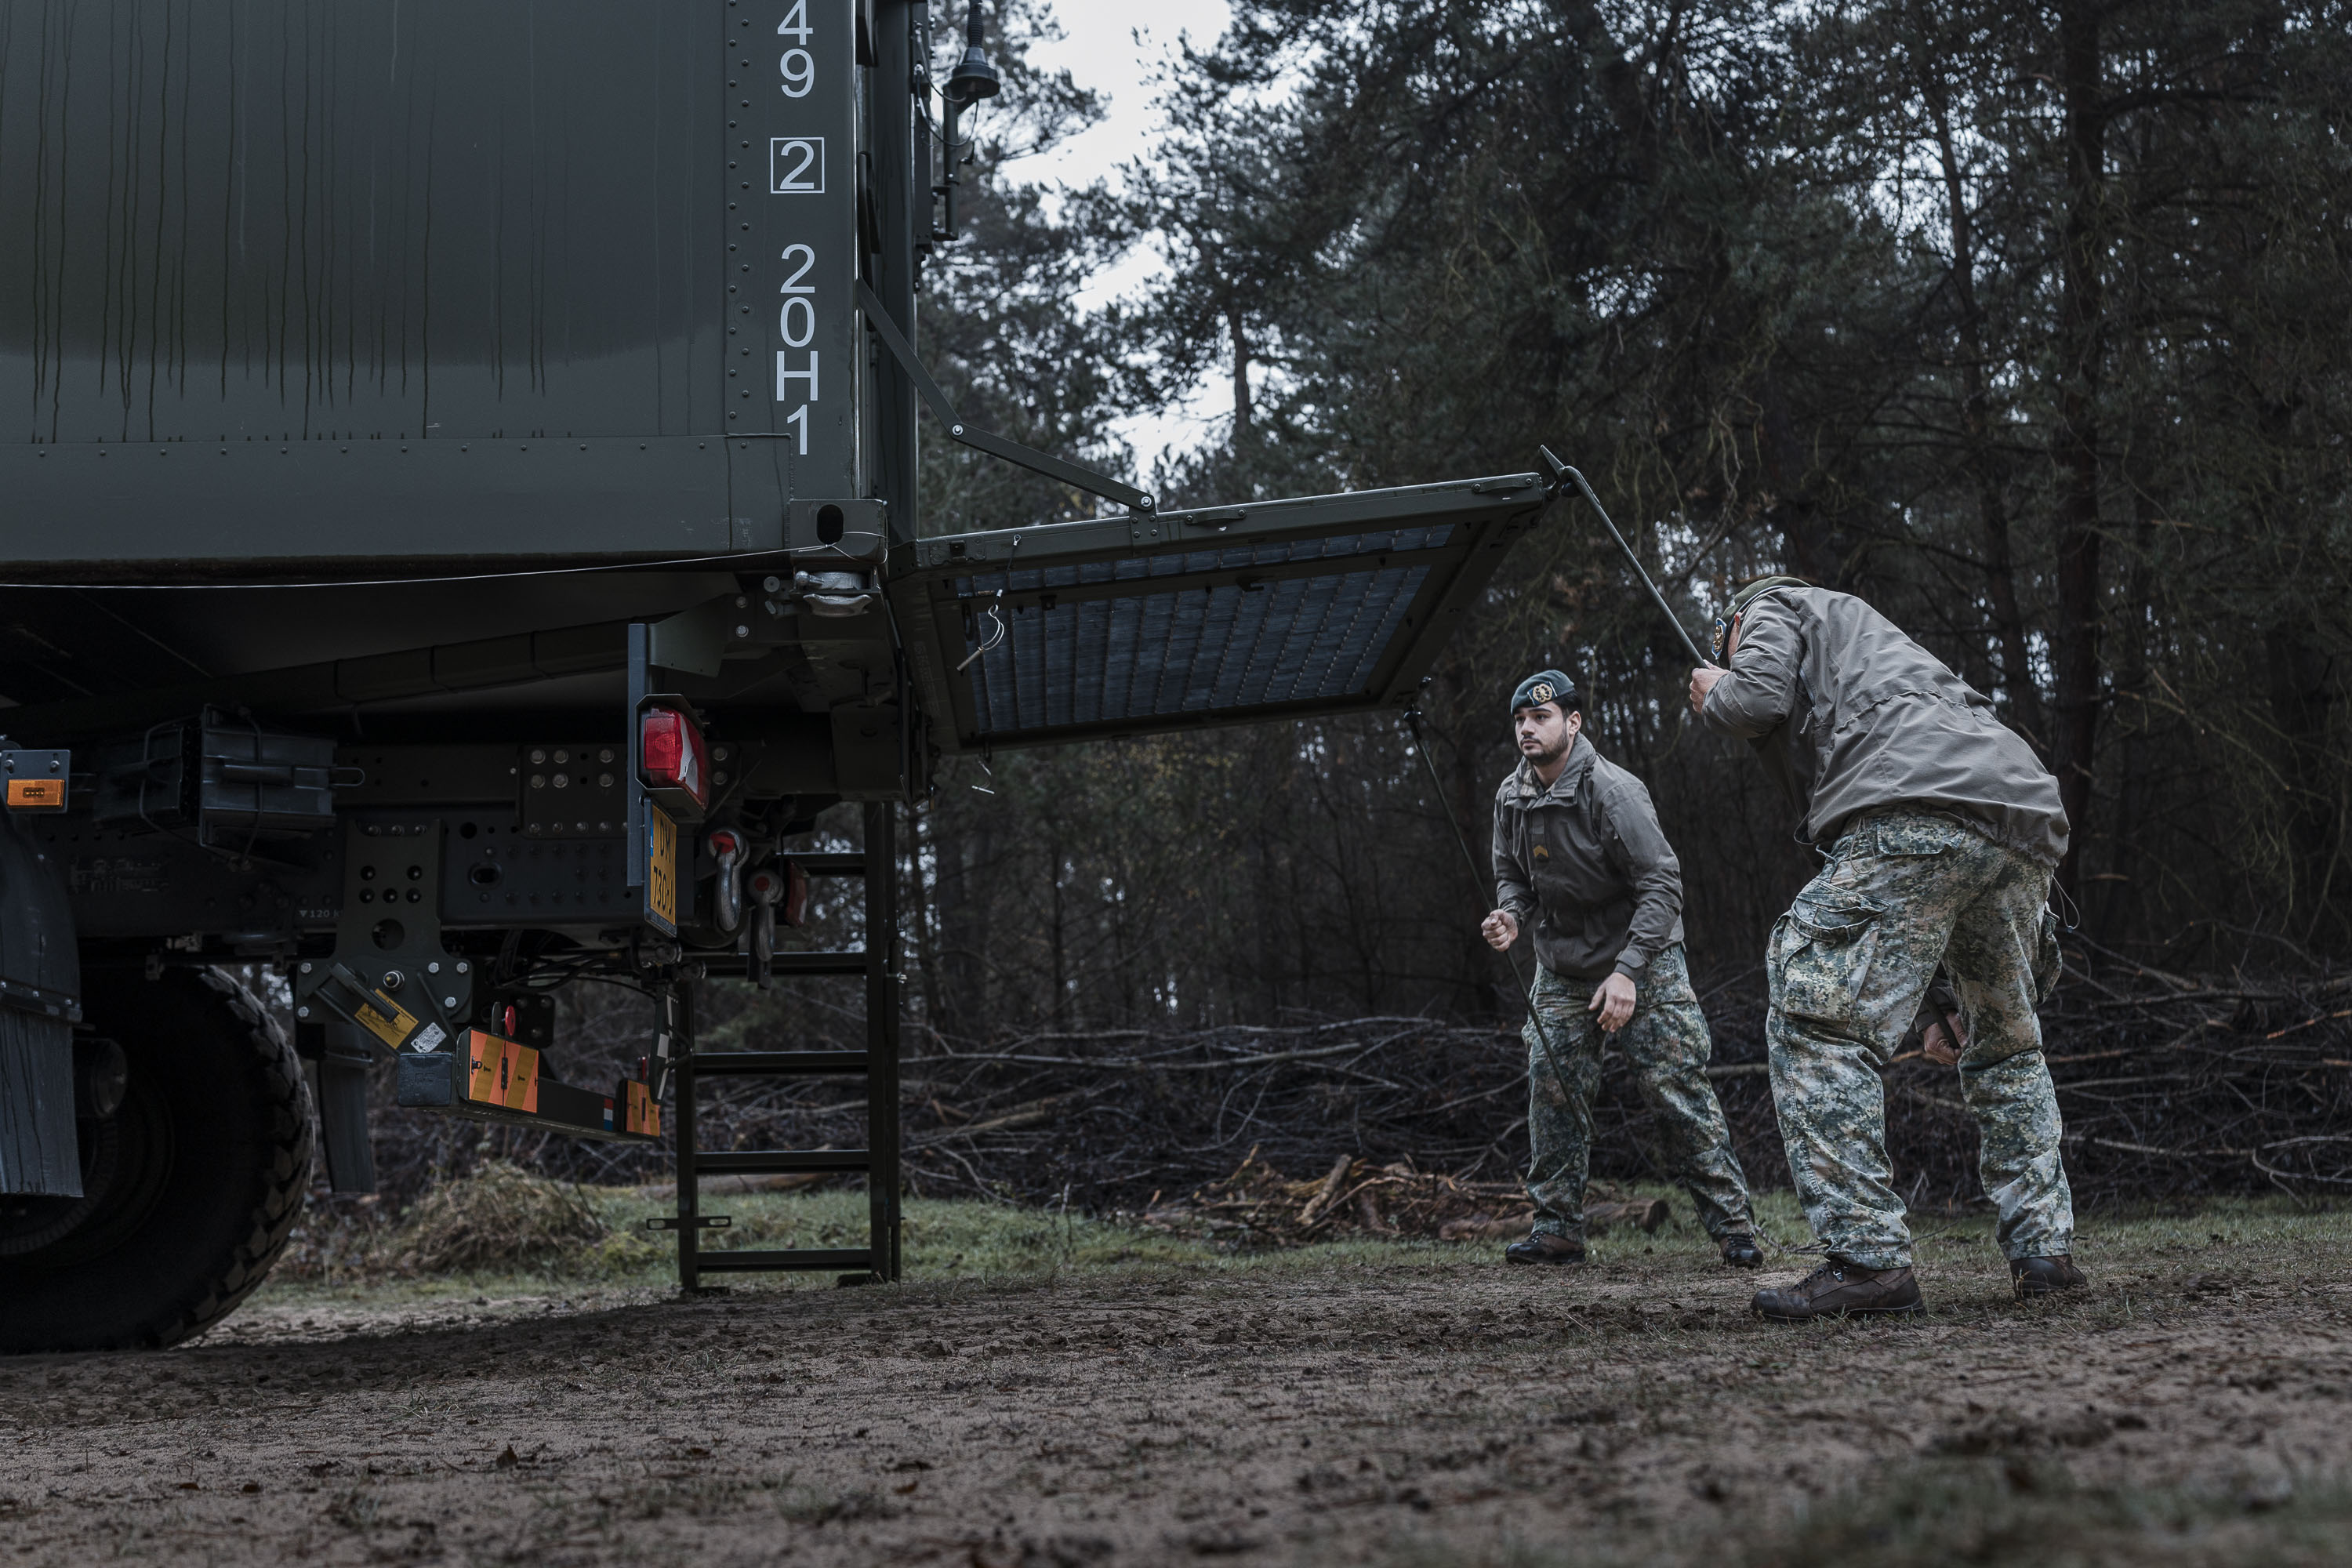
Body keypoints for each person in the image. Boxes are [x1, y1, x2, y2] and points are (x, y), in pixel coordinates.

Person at [1689, 577, 2083, 1321]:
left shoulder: (1772, 604)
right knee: (2004, 1042)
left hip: (1913, 809)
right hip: (2017, 819)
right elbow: (1922, 905)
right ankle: (2045, 1252)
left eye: (1727, 646)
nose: (1729, 656)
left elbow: (1756, 698)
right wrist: (1935, 1008)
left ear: (1735, 621)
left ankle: (1868, 1260)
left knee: (1814, 1015)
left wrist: (1717, 693)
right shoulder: (1877, 643)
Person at [1483, 669, 1763, 1269]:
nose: (1528, 729)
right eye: (1520, 720)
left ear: (1573, 722)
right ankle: (1557, 1229)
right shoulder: (1512, 795)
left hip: (1646, 957)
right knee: (1552, 1088)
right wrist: (1510, 915)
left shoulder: (1613, 791)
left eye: (1541, 717)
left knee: (1675, 1092)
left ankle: (1735, 1227)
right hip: (1563, 966)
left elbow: (1662, 885)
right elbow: (1512, 874)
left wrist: (1629, 971)